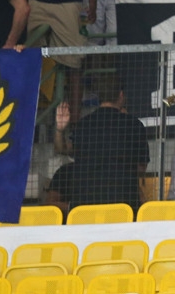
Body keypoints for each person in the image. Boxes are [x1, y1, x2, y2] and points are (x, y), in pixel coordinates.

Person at [56, 75, 149, 210]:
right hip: (123, 203)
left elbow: (61, 149)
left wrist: (59, 130)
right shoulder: (134, 125)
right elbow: (141, 168)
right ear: (121, 95)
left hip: (85, 205)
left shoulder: (83, 124)